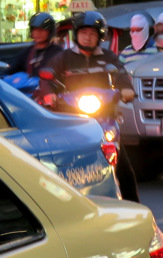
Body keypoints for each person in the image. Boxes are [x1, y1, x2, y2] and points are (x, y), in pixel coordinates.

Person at [38, 11, 140, 202]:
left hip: (104, 118)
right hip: (71, 119)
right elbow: (47, 77)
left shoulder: (108, 57)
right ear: (76, 34)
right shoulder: (64, 57)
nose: (88, 37)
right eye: (84, 32)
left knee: (125, 167)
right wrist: (49, 94)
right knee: (56, 161)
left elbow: (121, 75)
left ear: (100, 37)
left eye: (93, 34)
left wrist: (126, 89)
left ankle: (136, 208)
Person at [5, 12, 61, 79]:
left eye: (42, 30)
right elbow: (9, 72)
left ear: (50, 32)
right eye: (35, 30)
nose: (37, 33)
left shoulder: (58, 53)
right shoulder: (26, 53)